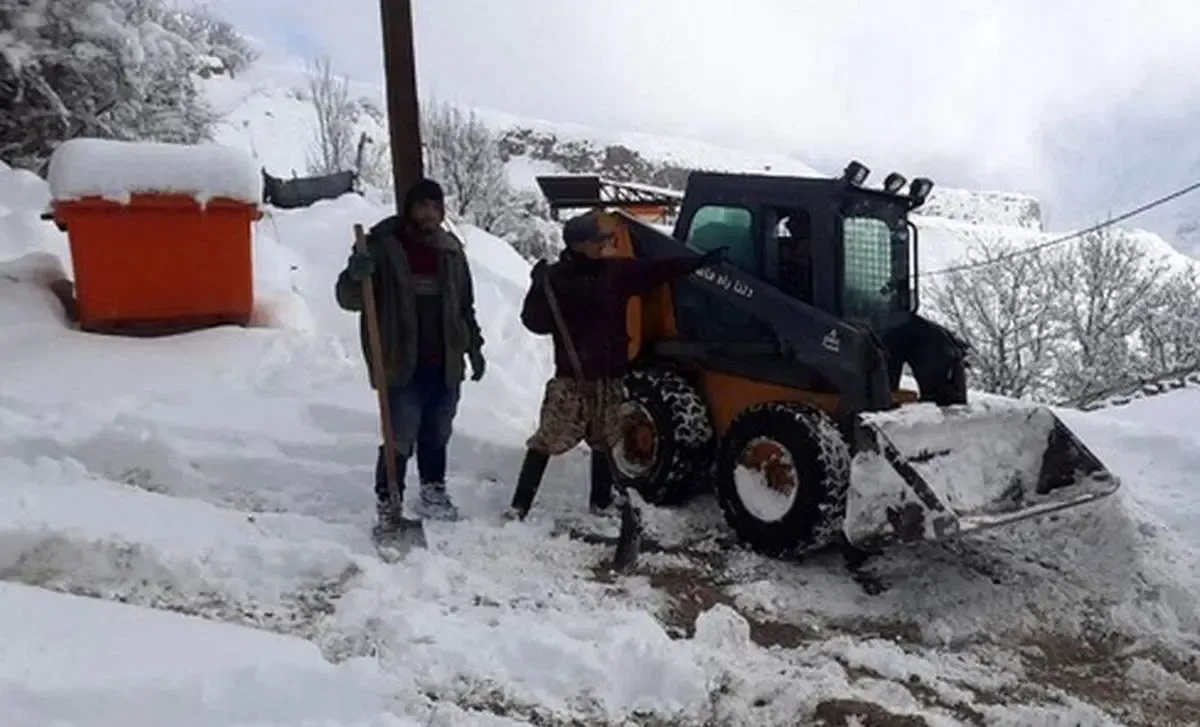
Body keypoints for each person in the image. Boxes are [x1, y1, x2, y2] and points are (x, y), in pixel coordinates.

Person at [507, 210, 726, 519]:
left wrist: (699, 262)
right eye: (600, 239)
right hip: (573, 378)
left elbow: (658, 271)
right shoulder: (555, 279)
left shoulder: (616, 272)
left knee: (605, 439)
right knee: (548, 438)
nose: (606, 244)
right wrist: (537, 287)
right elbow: (534, 322)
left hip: (610, 375)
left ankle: (600, 502)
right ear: (578, 243)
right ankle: (519, 507)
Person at [334, 178, 485, 527]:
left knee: (437, 431)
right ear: (409, 209)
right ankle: (389, 498)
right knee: (399, 433)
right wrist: (356, 276)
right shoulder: (382, 248)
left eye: (436, 207)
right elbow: (349, 299)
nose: (430, 213)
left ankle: (433, 491)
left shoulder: (451, 251)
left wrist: (474, 347)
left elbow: (466, 306)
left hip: (445, 360)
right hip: (401, 359)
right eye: (422, 206)